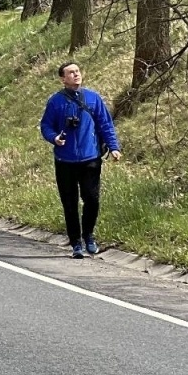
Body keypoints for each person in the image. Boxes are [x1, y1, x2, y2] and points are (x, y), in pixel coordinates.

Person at [39, 61, 122, 258]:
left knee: (92, 199)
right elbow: (46, 126)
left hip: (90, 159)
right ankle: (76, 243)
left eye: (77, 71)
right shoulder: (55, 102)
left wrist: (114, 147)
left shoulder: (93, 98)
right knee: (70, 203)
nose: (76, 74)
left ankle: (89, 236)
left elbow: (105, 124)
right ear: (62, 79)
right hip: (65, 161)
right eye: (70, 72)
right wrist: (54, 138)